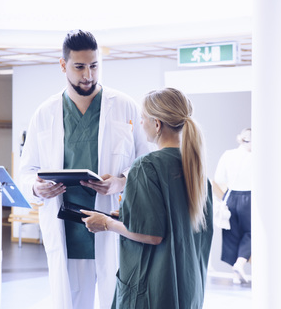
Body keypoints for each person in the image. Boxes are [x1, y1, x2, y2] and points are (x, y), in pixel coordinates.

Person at [17, 29, 150, 309]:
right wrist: (36, 186)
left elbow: (145, 162)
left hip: (112, 223)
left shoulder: (124, 106)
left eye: (94, 66)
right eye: (79, 67)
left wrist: (120, 181)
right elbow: (26, 169)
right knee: (74, 302)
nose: (88, 75)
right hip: (67, 228)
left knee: (118, 300)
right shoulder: (45, 113)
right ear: (63, 65)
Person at [82, 88, 214, 309]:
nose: (140, 124)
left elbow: (151, 235)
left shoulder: (146, 166)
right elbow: (177, 224)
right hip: (188, 289)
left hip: (154, 290)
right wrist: (127, 216)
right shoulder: (198, 173)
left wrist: (106, 223)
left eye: (142, 119)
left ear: (157, 124)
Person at [212, 128, 252, 284]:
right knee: (250, 232)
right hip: (249, 197)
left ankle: (236, 274)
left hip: (230, 197)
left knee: (232, 235)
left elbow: (218, 178)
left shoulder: (228, 155)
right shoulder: (255, 157)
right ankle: (240, 264)